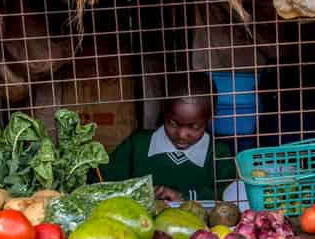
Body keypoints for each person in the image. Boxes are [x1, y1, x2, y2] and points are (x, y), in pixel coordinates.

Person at [101, 72, 236, 201]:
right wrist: (139, 193)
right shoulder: (137, 144)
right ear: (163, 110)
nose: (182, 135)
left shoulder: (218, 152)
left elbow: (231, 191)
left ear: (210, 117)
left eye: (194, 127)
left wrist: (184, 197)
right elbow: (102, 180)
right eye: (173, 123)